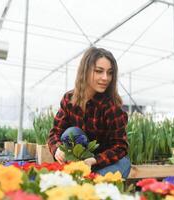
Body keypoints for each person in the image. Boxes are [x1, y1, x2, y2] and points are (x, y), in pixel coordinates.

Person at [47, 46, 131, 178]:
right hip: (77, 157)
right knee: (72, 132)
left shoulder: (112, 107)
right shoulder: (69, 99)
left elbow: (120, 146)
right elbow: (55, 133)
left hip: (102, 162)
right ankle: (79, 174)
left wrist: (94, 160)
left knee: (125, 163)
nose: (105, 78)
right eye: (99, 71)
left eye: (110, 73)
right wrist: (57, 149)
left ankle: (86, 179)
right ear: (85, 71)